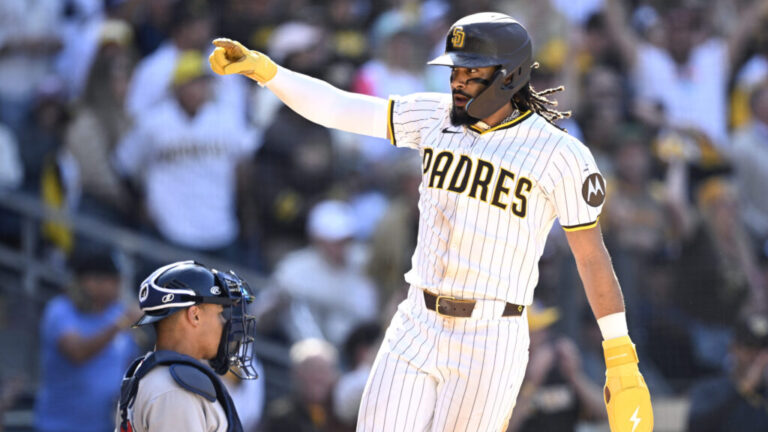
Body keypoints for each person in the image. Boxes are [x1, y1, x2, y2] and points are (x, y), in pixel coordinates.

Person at [210, 12, 652, 431]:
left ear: (512, 76)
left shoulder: (560, 153)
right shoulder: (433, 115)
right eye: (455, 71)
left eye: (472, 73)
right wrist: (267, 72)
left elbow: (591, 256)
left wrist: (619, 354)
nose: (458, 83)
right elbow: (339, 107)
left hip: (491, 335)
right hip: (417, 320)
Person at [115, 261, 258, 432]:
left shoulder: (148, 376)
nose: (223, 322)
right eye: (220, 313)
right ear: (195, 315)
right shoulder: (176, 391)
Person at [35, 252, 140, 432]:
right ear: (90, 281)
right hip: (61, 425)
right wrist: (121, 323)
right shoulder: (61, 310)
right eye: (113, 281)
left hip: (105, 425)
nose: (118, 287)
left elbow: (130, 361)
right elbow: (77, 352)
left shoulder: (117, 311)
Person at [687, 314, 768, 431]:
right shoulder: (710, 389)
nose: (756, 356)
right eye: (750, 347)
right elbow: (696, 425)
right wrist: (743, 389)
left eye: (763, 349)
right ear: (733, 348)